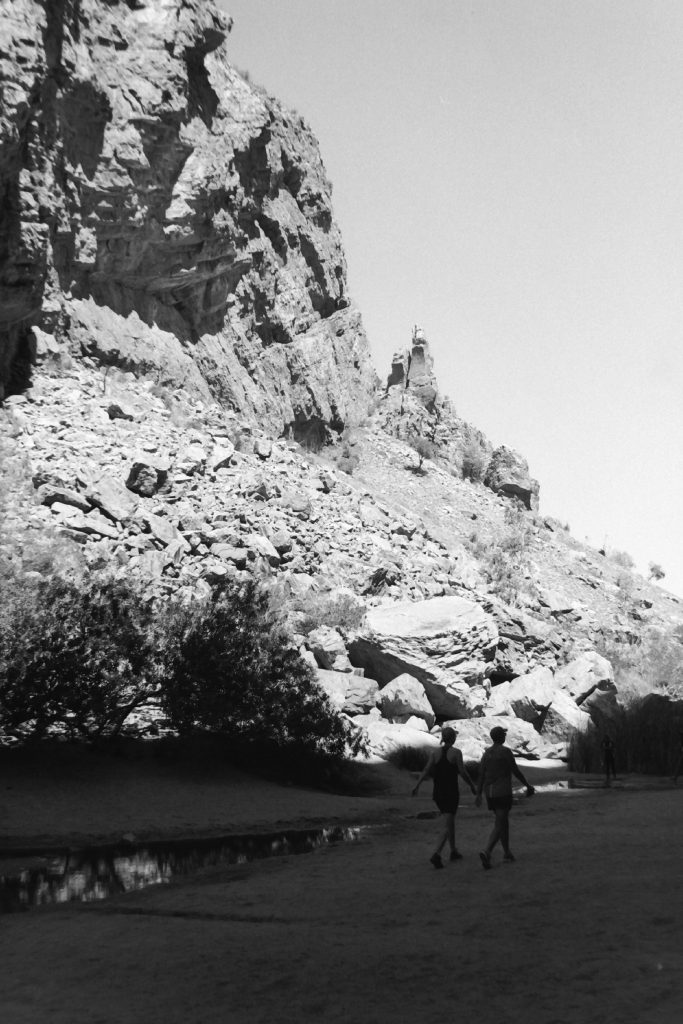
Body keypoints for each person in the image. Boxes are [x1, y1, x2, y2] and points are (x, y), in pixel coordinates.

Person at [412, 725, 476, 868]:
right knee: (447, 825)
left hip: (438, 793)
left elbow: (427, 769)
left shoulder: (435, 753)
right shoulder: (456, 753)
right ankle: (437, 854)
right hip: (451, 792)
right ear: (453, 738)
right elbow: (463, 772)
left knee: (450, 821)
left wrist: (417, 785)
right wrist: (472, 785)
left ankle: (453, 851)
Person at [475, 725, 535, 870]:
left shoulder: (486, 754)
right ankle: (487, 851)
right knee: (500, 823)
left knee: (502, 821)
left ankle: (507, 852)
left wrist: (478, 794)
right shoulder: (505, 752)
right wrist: (527, 785)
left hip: (489, 793)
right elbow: (515, 770)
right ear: (501, 737)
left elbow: (481, 775)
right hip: (502, 792)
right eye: (503, 734)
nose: (504, 736)